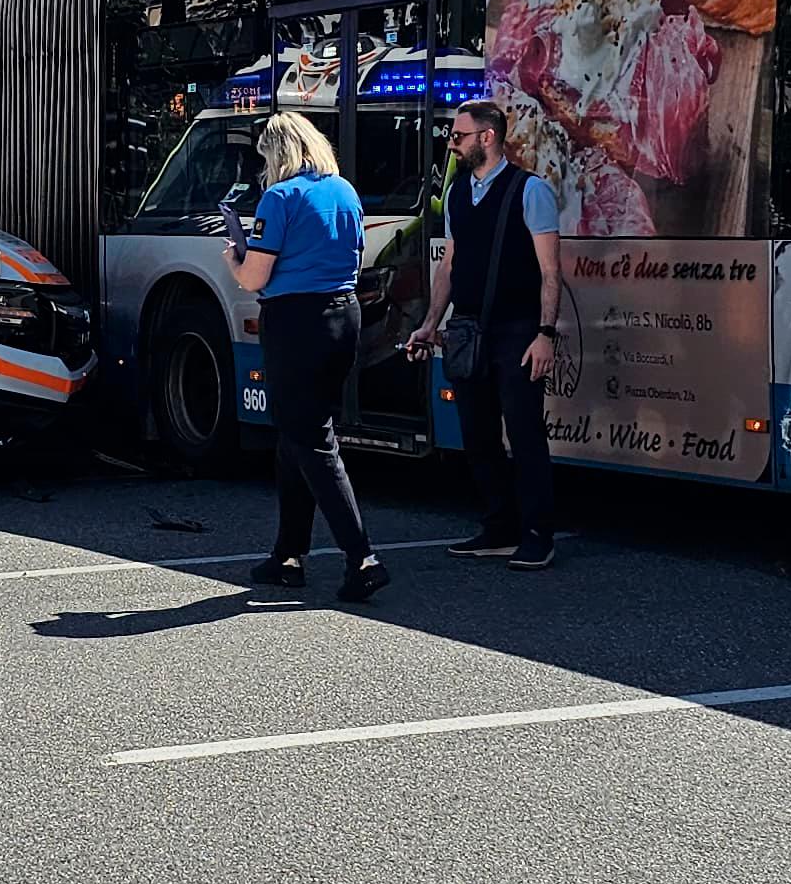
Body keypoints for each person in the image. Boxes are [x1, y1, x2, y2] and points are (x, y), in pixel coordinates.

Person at [231, 110, 386, 604]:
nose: (263, 168)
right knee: (295, 435)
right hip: (343, 315)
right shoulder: (344, 191)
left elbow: (254, 278)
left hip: (295, 320)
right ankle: (289, 555)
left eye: (264, 157)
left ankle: (362, 558)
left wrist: (234, 258)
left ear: (278, 153)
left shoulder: (279, 198)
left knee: (313, 440)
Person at [407, 98, 567, 570]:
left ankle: (538, 534)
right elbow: (449, 265)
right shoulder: (458, 193)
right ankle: (499, 528)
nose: (451, 145)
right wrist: (431, 323)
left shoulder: (529, 190)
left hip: (518, 329)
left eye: (458, 136)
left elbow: (551, 271)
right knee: (476, 434)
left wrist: (545, 334)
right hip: (467, 328)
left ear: (487, 137)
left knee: (524, 432)